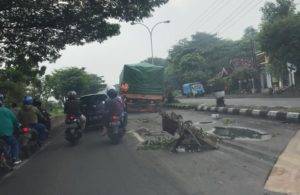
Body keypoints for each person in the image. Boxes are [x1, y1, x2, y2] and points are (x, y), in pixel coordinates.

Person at [0, 94, 21, 165]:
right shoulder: (7, 111)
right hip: (6, 134)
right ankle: (15, 158)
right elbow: (15, 121)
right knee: (14, 143)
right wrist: (17, 127)